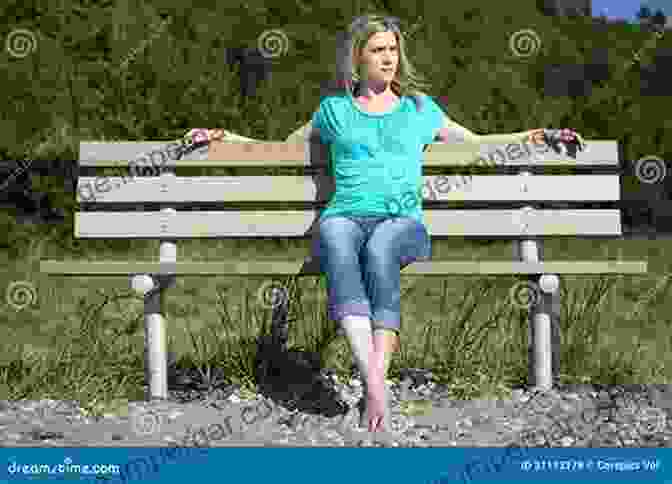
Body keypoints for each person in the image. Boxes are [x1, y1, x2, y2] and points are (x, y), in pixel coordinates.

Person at [186, 13, 586, 433]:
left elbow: (479, 144)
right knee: (335, 233)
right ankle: (375, 382)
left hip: (402, 224)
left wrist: (538, 136)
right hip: (346, 216)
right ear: (356, 57)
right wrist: (223, 138)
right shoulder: (334, 110)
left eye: (393, 49)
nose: (389, 58)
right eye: (378, 50)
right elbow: (275, 150)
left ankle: (373, 383)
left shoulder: (418, 108)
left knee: (379, 249)